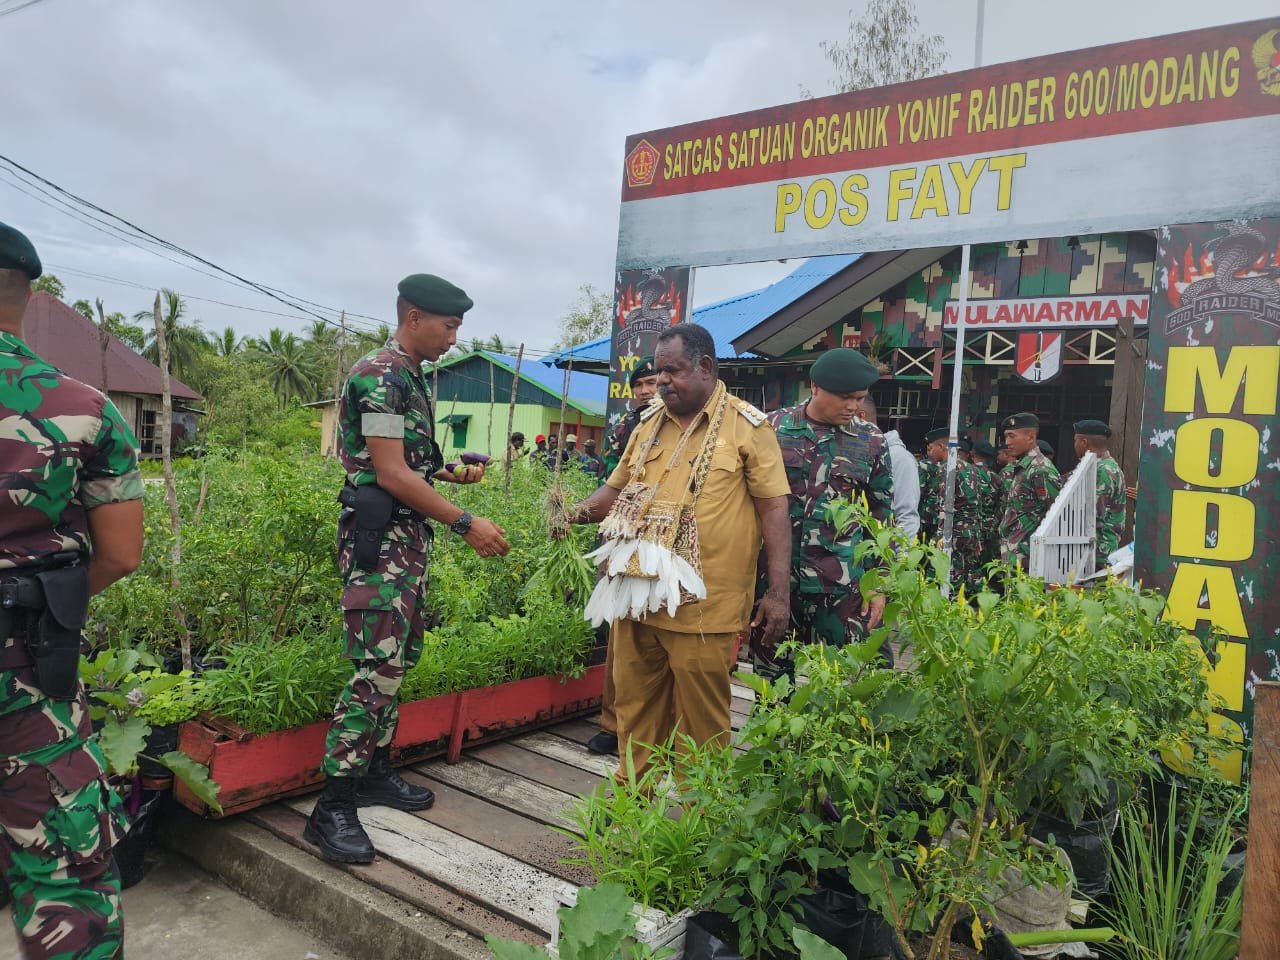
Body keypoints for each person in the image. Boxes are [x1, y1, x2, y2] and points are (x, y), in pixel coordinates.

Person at [307, 273, 511, 865]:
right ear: (414, 316)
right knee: (374, 669)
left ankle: (374, 770)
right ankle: (332, 808)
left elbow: (404, 464)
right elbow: (390, 476)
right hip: (381, 542)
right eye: (449, 326)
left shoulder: (409, 376)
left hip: (403, 539)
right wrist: (465, 522)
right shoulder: (379, 374)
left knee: (398, 659)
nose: (454, 338)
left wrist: (449, 476)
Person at [0, 222, 144, 958]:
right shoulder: (83, 408)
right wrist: (49, 602)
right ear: (26, 294)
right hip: (25, 671)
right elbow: (121, 554)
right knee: (62, 866)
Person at [564, 323, 791, 780]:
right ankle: (634, 810)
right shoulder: (648, 424)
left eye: (672, 371)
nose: (662, 380)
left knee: (701, 725)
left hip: (703, 607)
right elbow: (613, 493)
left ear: (705, 367)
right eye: (658, 371)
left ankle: (698, 831)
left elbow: (774, 511)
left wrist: (778, 594)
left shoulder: (747, 427)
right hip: (635, 596)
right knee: (634, 709)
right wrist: (568, 514)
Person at [763, 348, 893, 670]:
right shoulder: (771, 429)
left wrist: (879, 582)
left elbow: (881, 514)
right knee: (773, 683)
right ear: (815, 387)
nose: (854, 406)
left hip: (841, 586)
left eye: (860, 398)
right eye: (846, 397)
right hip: (776, 583)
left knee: (853, 679)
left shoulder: (870, 440)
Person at [587, 357, 659, 756]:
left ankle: (650, 725)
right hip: (624, 531)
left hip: (668, 540)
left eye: (654, 382)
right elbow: (610, 483)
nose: (648, 391)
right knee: (621, 630)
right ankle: (614, 723)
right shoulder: (624, 427)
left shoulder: (688, 425)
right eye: (641, 385)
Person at [919, 428, 985, 593]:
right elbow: (978, 503)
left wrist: (939, 537)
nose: (929, 452)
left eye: (931, 447)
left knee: (941, 573)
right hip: (971, 532)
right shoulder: (971, 469)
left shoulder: (946, 469)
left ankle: (940, 606)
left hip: (953, 531)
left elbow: (944, 507)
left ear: (942, 446)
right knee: (968, 572)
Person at [997, 412, 1062, 570]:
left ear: (1031, 437)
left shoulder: (1040, 470)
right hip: (1015, 555)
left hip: (1029, 559)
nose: (1007, 442)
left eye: (1012, 436)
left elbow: (1056, 515)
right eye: (1006, 437)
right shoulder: (1023, 467)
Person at [858, 394, 919, 538]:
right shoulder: (852, 453)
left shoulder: (899, 458)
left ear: (860, 418)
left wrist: (901, 558)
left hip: (882, 551)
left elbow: (906, 515)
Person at [1072, 419, 1126, 571]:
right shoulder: (1108, 466)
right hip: (1101, 550)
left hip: (1098, 554)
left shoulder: (1101, 470)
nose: (1074, 445)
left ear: (1084, 442)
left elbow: (1093, 515)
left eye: (1075, 440)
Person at [602, 358, 659, 476]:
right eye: (638, 385)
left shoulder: (684, 422)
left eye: (651, 382)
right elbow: (609, 480)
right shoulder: (620, 431)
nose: (644, 391)